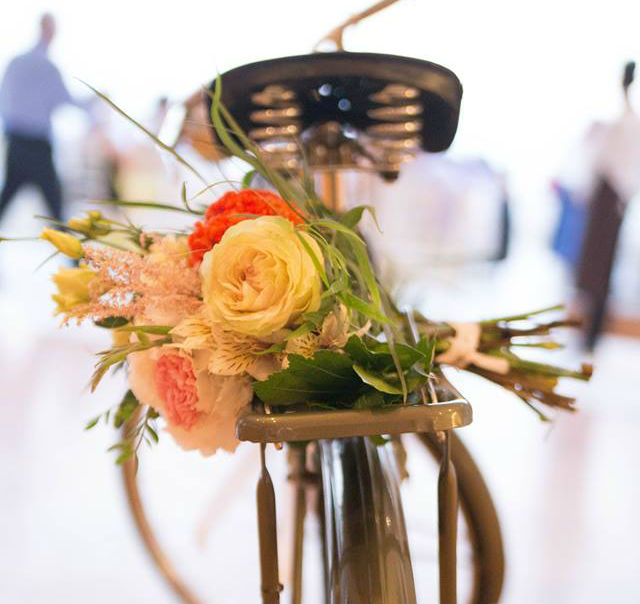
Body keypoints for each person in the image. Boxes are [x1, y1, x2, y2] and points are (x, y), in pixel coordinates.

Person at [0, 13, 80, 222]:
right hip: (35, 145)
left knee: (8, 198)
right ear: (51, 31)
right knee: (56, 207)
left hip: (17, 142)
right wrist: (96, 101)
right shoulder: (47, 67)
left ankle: (70, 243)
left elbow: (3, 99)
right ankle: (71, 244)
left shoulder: (16, 62)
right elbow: (66, 100)